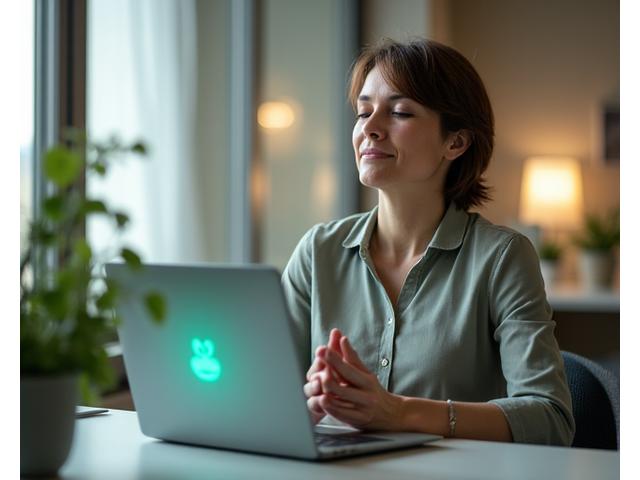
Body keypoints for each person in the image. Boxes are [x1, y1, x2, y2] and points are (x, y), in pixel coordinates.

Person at [281, 38, 575, 446]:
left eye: (399, 112)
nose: (369, 127)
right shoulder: (317, 251)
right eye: (364, 111)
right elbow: (264, 397)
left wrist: (397, 412)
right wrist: (305, 404)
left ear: (455, 142)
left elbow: (550, 419)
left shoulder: (502, 257)